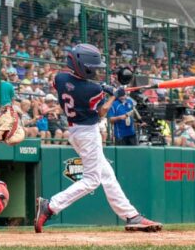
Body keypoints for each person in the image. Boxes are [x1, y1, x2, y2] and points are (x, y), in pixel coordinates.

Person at [34, 43, 162, 233]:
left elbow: (71, 85)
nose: (94, 70)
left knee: (107, 175)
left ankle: (131, 216)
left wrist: (103, 88)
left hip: (74, 132)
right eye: (92, 67)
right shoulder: (90, 90)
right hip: (87, 133)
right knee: (92, 180)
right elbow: (102, 112)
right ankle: (51, 205)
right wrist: (114, 95)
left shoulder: (60, 78)